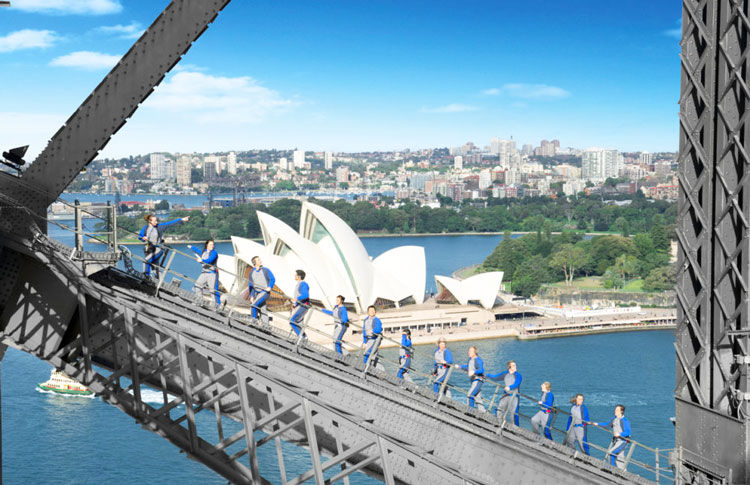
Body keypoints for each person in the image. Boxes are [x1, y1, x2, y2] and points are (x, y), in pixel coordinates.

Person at [138, 214, 189, 278]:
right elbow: (140, 236)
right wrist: (143, 238)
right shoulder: (145, 228)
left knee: (146, 261)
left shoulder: (160, 227)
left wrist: (181, 219)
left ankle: (146, 277)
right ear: (149, 221)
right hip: (149, 249)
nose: (156, 222)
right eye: (154, 221)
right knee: (155, 266)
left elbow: (169, 223)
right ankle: (160, 282)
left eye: (156, 220)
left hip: (158, 249)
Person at [594, 404, 631, 469]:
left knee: (611, 453)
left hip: (623, 441)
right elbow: (607, 425)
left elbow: (628, 432)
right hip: (617, 441)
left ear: (621, 412)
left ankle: (612, 469)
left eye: (617, 410)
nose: (615, 411)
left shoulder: (625, 421)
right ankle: (622, 471)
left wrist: (619, 434)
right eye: (615, 409)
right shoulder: (614, 418)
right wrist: (598, 424)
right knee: (620, 458)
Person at [487, 360, 522, 425]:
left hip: (514, 396)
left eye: (515, 365)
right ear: (509, 367)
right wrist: (487, 375)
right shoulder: (505, 374)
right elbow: (495, 377)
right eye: (513, 365)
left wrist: (510, 387)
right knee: (499, 409)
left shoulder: (518, 375)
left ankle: (516, 429)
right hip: (506, 395)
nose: (515, 367)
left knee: (513, 414)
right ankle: (500, 423)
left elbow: (517, 383)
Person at [187, 239, 220, 308]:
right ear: (207, 245)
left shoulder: (214, 253)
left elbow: (209, 260)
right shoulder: (204, 252)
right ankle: (199, 301)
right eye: (211, 244)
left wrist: (201, 260)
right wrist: (191, 247)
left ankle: (216, 307)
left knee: (213, 291)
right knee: (197, 285)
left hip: (212, 273)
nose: (212, 246)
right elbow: (198, 251)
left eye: (213, 244)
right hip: (204, 273)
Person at [248, 256, 275, 324]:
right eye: (258, 260)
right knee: (263, 309)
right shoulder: (251, 272)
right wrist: (251, 296)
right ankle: (266, 326)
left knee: (254, 305)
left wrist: (269, 287)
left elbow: (272, 279)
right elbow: (251, 285)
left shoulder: (265, 270)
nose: (260, 261)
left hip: (265, 292)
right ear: (255, 263)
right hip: (257, 293)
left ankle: (254, 322)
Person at [289, 269, 310, 337]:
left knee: (292, 321)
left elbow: (305, 295)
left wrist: (296, 299)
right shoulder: (299, 284)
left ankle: (302, 338)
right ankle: (302, 338)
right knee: (299, 323)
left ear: (299, 276)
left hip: (303, 306)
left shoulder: (303, 284)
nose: (294, 276)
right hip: (299, 305)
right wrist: (294, 304)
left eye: (295, 275)